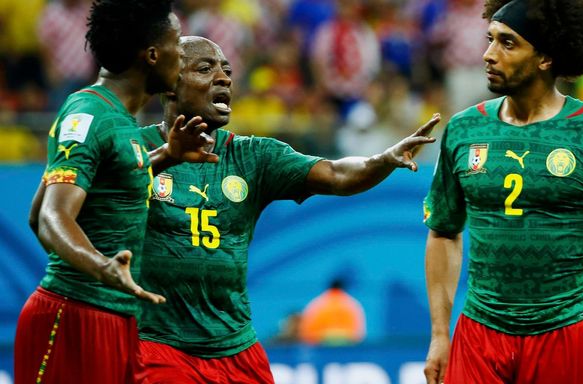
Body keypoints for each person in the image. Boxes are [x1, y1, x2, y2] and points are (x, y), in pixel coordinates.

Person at [134, 36, 440, 383]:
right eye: (206, 69)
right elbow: (93, 198)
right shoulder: (135, 146)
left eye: (227, 70)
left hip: (236, 348)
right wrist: (161, 159)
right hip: (160, 345)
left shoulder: (253, 156)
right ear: (170, 82)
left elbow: (337, 173)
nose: (223, 78)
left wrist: (382, 160)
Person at [422, 1, 583, 383]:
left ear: (545, 58)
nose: (488, 54)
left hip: (566, 328)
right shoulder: (464, 130)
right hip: (479, 328)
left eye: (507, 43)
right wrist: (439, 334)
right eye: (490, 40)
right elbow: (443, 232)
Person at [15, 1, 219, 383]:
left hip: (115, 317)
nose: (184, 51)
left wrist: (168, 156)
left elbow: (44, 206)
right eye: (178, 41)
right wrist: (102, 267)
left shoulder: (119, 121)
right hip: (74, 316)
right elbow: (50, 217)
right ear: (154, 55)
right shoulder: (88, 114)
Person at [299, 278, 367, 346]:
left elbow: (306, 331)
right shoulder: (352, 304)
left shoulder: (316, 303)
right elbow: (359, 334)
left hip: (321, 343)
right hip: (345, 344)